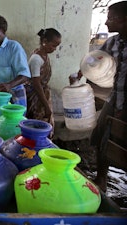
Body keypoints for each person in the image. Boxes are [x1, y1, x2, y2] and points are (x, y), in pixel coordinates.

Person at [70, 1, 127, 190]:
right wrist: (81, 72)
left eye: (111, 18)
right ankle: (101, 179)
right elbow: (95, 59)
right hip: (115, 97)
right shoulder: (114, 42)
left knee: (121, 142)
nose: (106, 23)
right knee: (101, 134)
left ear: (125, 20)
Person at [25, 28, 61, 132]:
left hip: (42, 94)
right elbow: (36, 84)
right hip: (36, 96)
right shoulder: (36, 59)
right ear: (45, 42)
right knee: (37, 126)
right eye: (53, 45)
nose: (55, 49)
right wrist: (46, 105)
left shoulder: (44, 55)